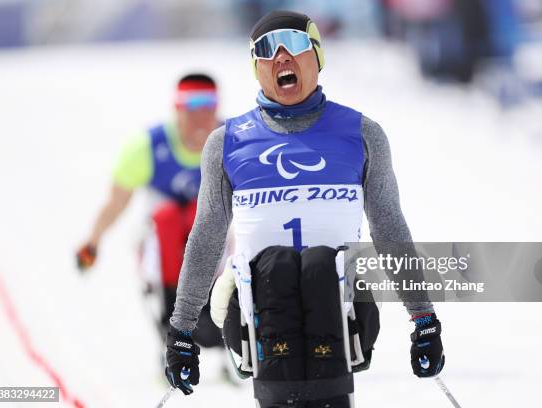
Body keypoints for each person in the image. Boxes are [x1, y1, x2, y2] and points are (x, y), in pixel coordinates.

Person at [164, 11, 445, 407]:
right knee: (276, 267)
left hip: (340, 302)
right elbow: (207, 234)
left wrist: (423, 319)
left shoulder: (362, 134)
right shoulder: (227, 142)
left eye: (294, 44)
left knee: (318, 267)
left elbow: (389, 227)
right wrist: (181, 329)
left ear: (316, 56)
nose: (281, 57)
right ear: (256, 68)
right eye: (267, 49)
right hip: (256, 303)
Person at [76, 73, 223, 349]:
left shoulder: (231, 140)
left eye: (208, 106)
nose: (200, 116)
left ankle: (215, 311)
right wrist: (92, 243)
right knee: (166, 218)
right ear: (177, 108)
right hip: (164, 239)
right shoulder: (149, 147)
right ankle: (171, 317)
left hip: (210, 235)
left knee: (207, 216)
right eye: (191, 106)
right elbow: (116, 203)